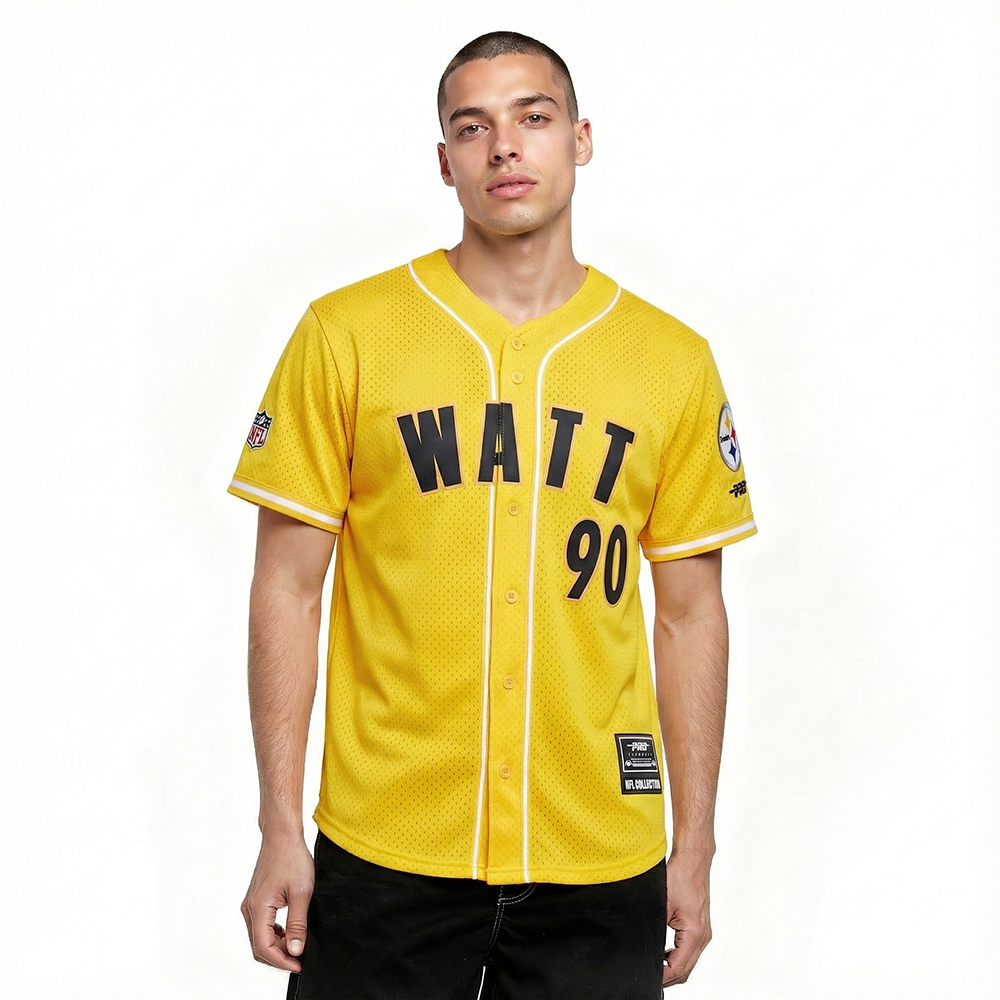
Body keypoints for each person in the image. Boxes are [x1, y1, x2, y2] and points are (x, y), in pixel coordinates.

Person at [230, 30, 756, 1000]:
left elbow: (689, 614)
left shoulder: (671, 361)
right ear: (445, 162)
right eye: (472, 127)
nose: (504, 145)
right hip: (386, 842)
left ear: (581, 139)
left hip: (599, 849)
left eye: (533, 117)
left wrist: (695, 846)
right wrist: (277, 827)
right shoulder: (346, 333)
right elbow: (287, 589)